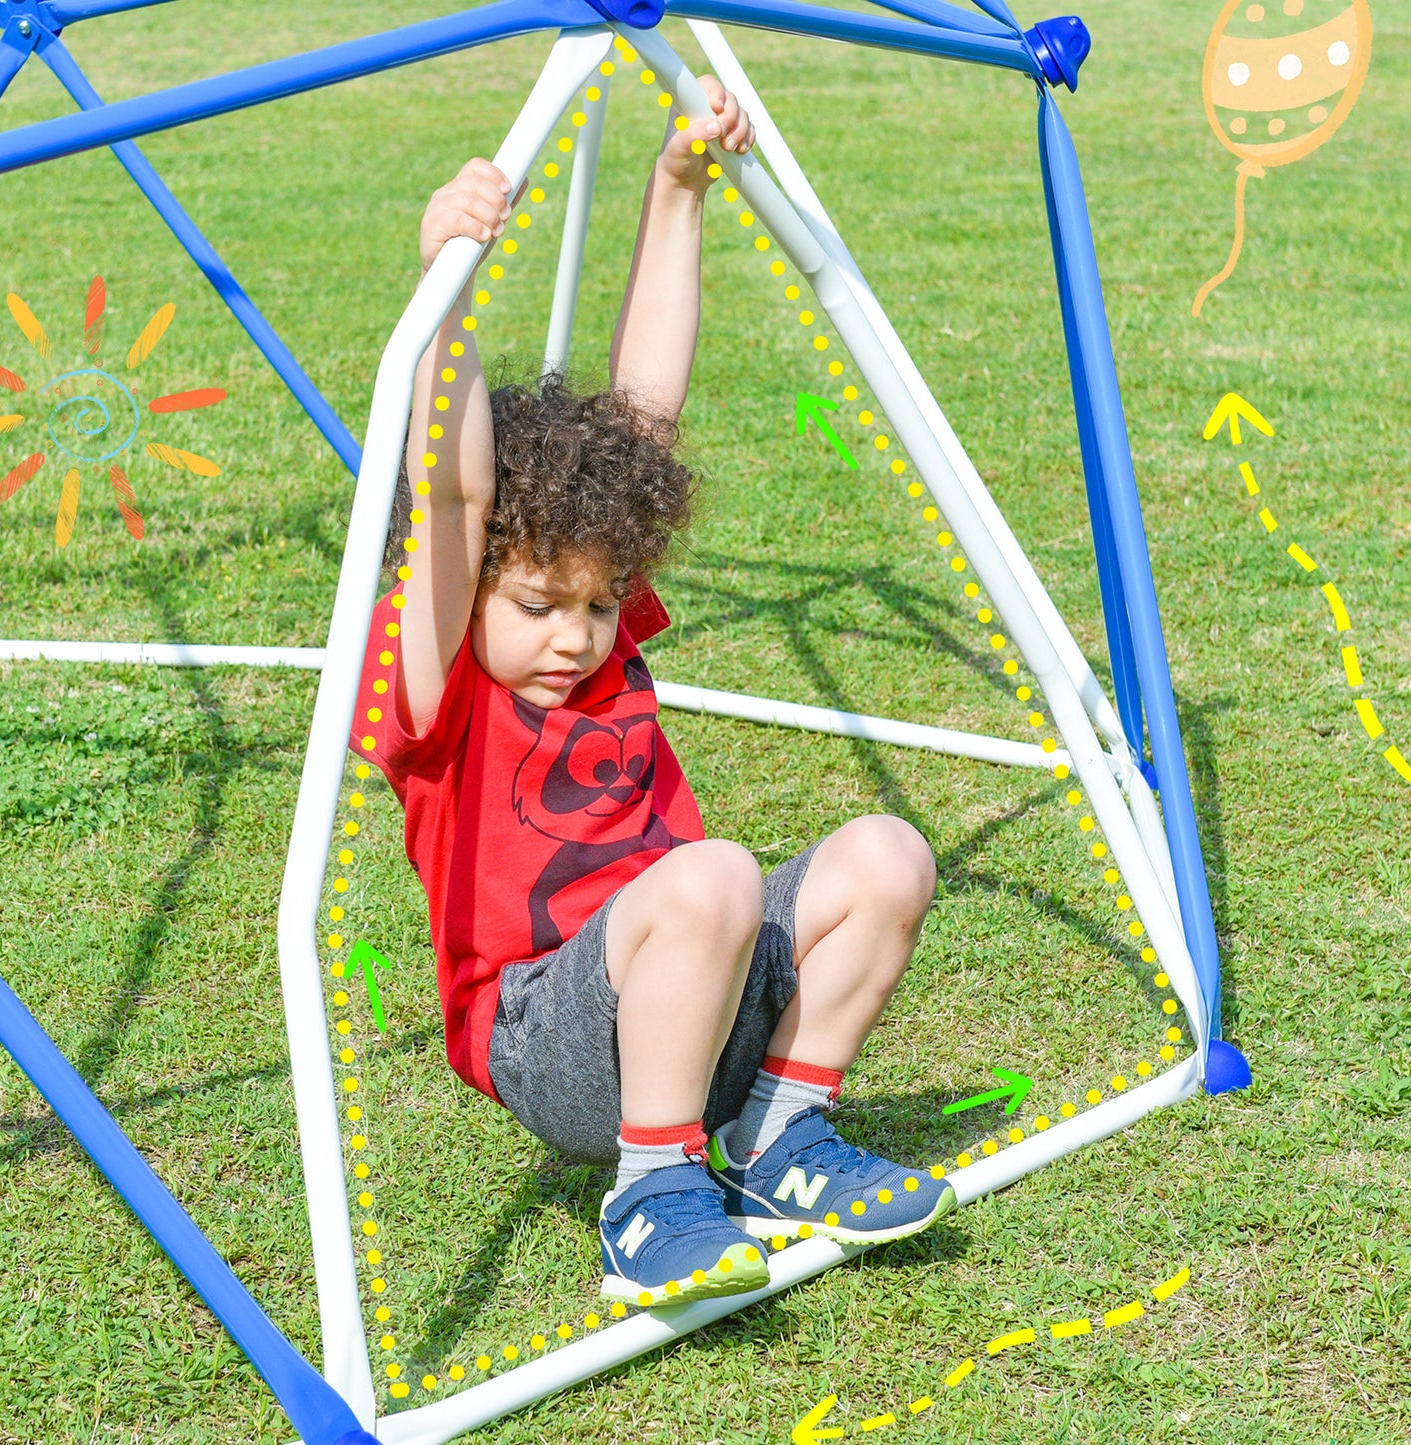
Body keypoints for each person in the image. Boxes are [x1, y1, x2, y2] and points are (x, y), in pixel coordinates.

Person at [351, 77, 954, 1310]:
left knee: (886, 855)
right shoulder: (444, 683)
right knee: (715, 871)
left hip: (699, 978)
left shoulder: (600, 630)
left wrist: (677, 187)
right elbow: (458, 495)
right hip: (547, 1035)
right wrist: (448, 281)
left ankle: (781, 1133)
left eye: (600, 599)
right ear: (471, 597)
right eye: (538, 605)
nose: (575, 636)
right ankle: (649, 1193)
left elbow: (645, 414)